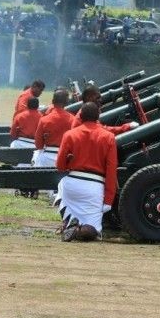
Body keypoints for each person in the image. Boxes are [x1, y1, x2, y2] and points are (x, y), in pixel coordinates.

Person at [55, 102, 117, 242]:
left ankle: (68, 223)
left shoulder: (69, 134)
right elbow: (111, 170)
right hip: (94, 187)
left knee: (61, 189)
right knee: (93, 232)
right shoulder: (108, 137)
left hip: (71, 183)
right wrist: (108, 199)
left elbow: (60, 166)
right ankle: (77, 231)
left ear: (81, 116)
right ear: (98, 116)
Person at [71, 85, 136, 135]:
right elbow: (103, 130)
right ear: (89, 98)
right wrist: (128, 126)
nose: (100, 100)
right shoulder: (86, 114)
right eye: (98, 98)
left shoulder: (85, 112)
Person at [34, 89, 75, 167]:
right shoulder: (73, 119)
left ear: (53, 101)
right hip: (65, 158)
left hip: (46, 157)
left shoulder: (44, 120)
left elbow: (38, 145)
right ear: (66, 102)